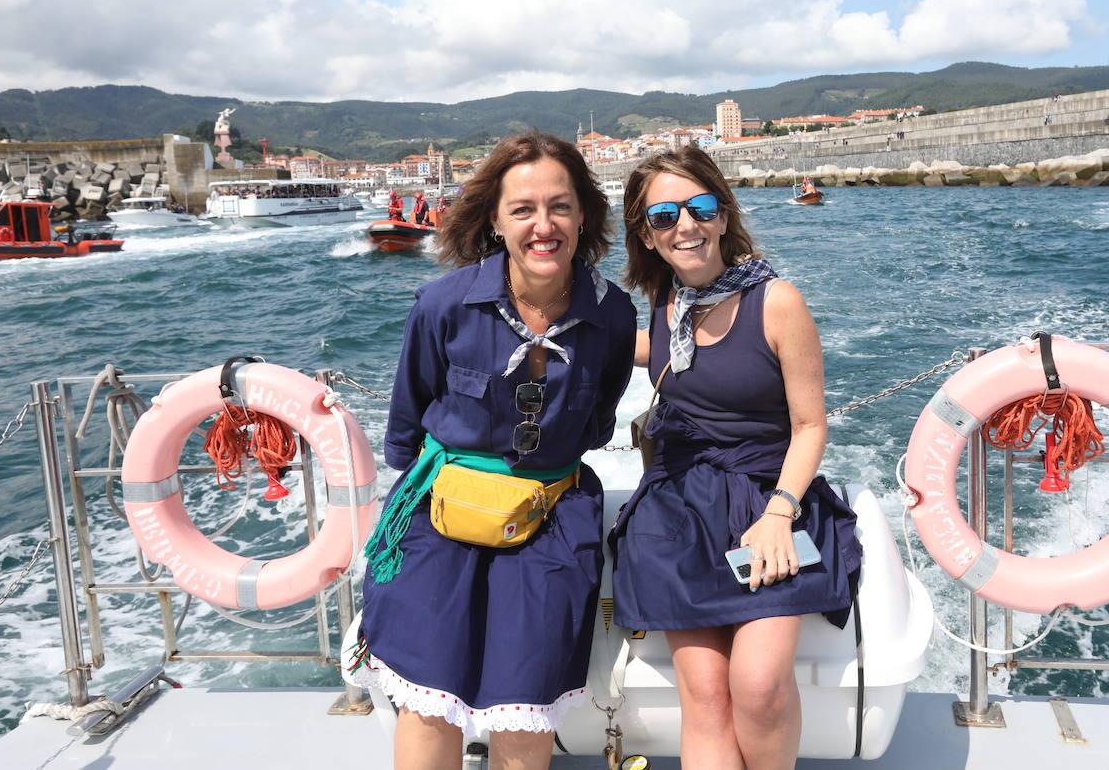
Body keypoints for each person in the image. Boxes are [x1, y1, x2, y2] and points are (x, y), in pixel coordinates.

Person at [351, 132, 637, 770]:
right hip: (438, 513)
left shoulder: (614, 315)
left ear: (584, 214)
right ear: (495, 220)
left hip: (552, 516)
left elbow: (597, 416)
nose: (544, 225)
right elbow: (408, 418)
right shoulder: (443, 305)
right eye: (523, 210)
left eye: (560, 206)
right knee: (428, 703)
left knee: (525, 702)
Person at [610, 146, 861, 770]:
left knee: (758, 685)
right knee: (704, 694)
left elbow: (810, 427)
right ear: (647, 233)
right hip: (677, 511)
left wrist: (779, 513)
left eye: (699, 208)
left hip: (765, 500)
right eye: (664, 216)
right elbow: (667, 352)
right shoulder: (665, 301)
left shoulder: (776, 301)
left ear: (723, 215)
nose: (684, 226)